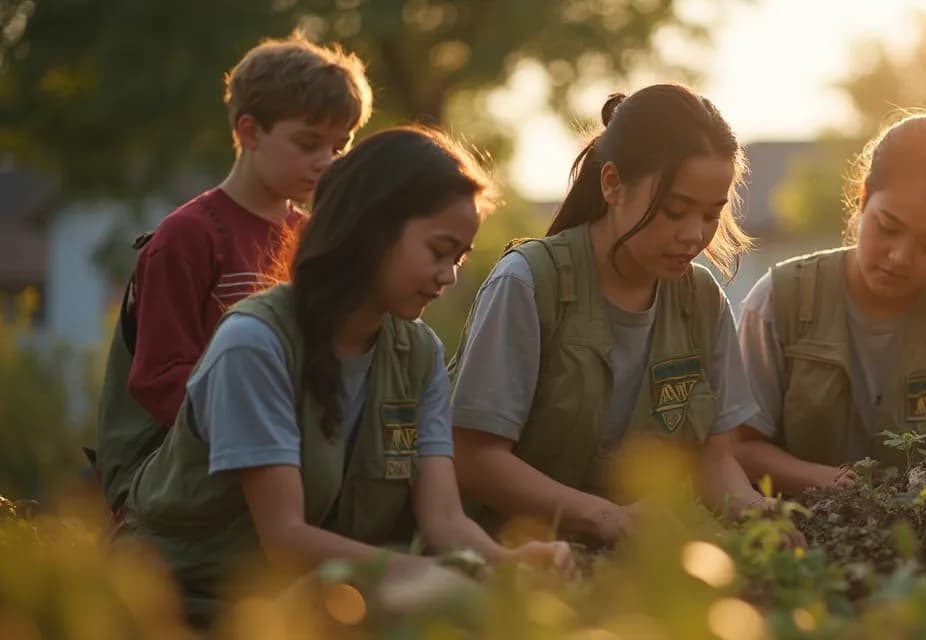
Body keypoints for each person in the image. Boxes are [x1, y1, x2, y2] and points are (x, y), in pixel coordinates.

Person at [123, 126, 572, 624]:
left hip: (316, 610)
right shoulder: (254, 344)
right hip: (182, 610)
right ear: (370, 230)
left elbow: (444, 518)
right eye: (438, 250)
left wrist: (508, 564)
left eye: (460, 258)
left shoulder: (418, 354)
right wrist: (418, 573)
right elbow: (285, 538)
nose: (449, 275)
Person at [448, 85, 772, 544]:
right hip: (512, 562)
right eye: (675, 211)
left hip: (633, 572)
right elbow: (474, 458)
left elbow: (715, 459)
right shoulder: (526, 284)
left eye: (711, 214)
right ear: (612, 184)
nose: (694, 235)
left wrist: (759, 515)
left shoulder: (701, 301)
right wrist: (602, 516)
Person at [97, 34, 373, 512]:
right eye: (308, 143)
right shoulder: (187, 237)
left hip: (284, 463)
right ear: (250, 132)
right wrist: (261, 437)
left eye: (340, 146)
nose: (327, 162)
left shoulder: (314, 239)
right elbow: (159, 378)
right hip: (181, 471)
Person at [733, 113, 926, 495]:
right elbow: (739, 448)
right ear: (864, 196)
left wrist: (921, 497)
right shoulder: (778, 300)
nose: (900, 256)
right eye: (889, 227)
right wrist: (830, 484)